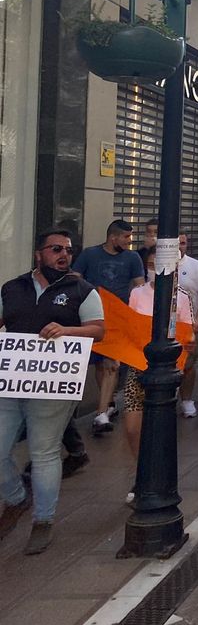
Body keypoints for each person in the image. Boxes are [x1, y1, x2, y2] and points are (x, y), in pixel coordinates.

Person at [0, 230, 105, 554]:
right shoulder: (12, 288)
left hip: (52, 385)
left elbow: (98, 330)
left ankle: (42, 521)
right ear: (39, 254)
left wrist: (67, 330)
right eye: (56, 249)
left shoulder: (82, 291)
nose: (64, 255)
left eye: (69, 250)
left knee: (43, 452)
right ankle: (17, 498)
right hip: (12, 382)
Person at [127, 249, 195, 499]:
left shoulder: (182, 297)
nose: (155, 269)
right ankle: (141, 472)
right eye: (151, 264)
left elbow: (188, 333)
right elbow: (129, 326)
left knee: (158, 423)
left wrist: (187, 346)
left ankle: (152, 478)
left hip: (166, 368)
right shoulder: (137, 293)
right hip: (137, 364)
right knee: (133, 426)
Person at [72, 220, 145, 435]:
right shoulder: (89, 254)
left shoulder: (132, 258)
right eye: (126, 237)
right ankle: (108, 403)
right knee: (100, 365)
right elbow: (75, 279)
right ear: (113, 237)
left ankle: (101, 413)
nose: (129, 241)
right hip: (92, 316)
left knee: (112, 363)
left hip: (119, 318)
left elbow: (139, 285)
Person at [175, 233, 198, 420]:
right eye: (177, 243)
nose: (180, 247)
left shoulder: (196, 266)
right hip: (166, 326)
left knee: (188, 365)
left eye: (183, 243)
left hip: (190, 326)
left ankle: (187, 400)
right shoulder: (156, 263)